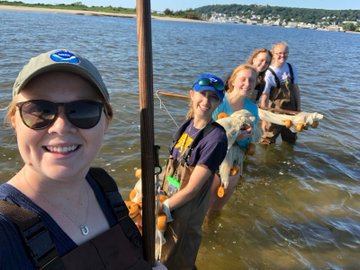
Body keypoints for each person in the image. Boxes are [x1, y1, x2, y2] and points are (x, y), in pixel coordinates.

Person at [0, 49, 157, 269]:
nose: (61, 127)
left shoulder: (104, 186)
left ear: (106, 121)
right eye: (39, 110)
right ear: (15, 120)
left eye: (83, 110)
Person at [159, 74, 228, 270]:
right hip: (170, 199)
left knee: (178, 258)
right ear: (191, 94)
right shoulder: (186, 125)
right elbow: (171, 168)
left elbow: (193, 189)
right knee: (161, 254)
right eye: (202, 94)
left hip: (187, 211)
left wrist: (162, 208)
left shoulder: (216, 139)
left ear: (219, 102)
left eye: (213, 97)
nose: (206, 101)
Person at [208, 64, 259, 211]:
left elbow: (251, 134)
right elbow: (206, 130)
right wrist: (231, 136)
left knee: (219, 205)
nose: (247, 84)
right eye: (243, 79)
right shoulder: (219, 101)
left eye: (251, 80)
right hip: (213, 153)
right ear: (233, 81)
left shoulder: (252, 108)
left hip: (235, 156)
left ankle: (213, 227)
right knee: (207, 200)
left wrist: (247, 135)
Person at [260, 42, 301, 144]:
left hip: (292, 110)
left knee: (290, 140)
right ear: (273, 54)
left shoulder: (291, 67)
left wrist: (299, 109)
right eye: (279, 53)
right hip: (275, 111)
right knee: (267, 140)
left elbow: (296, 89)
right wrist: (264, 120)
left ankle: (288, 158)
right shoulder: (269, 72)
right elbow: (264, 97)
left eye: (285, 53)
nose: (282, 55)